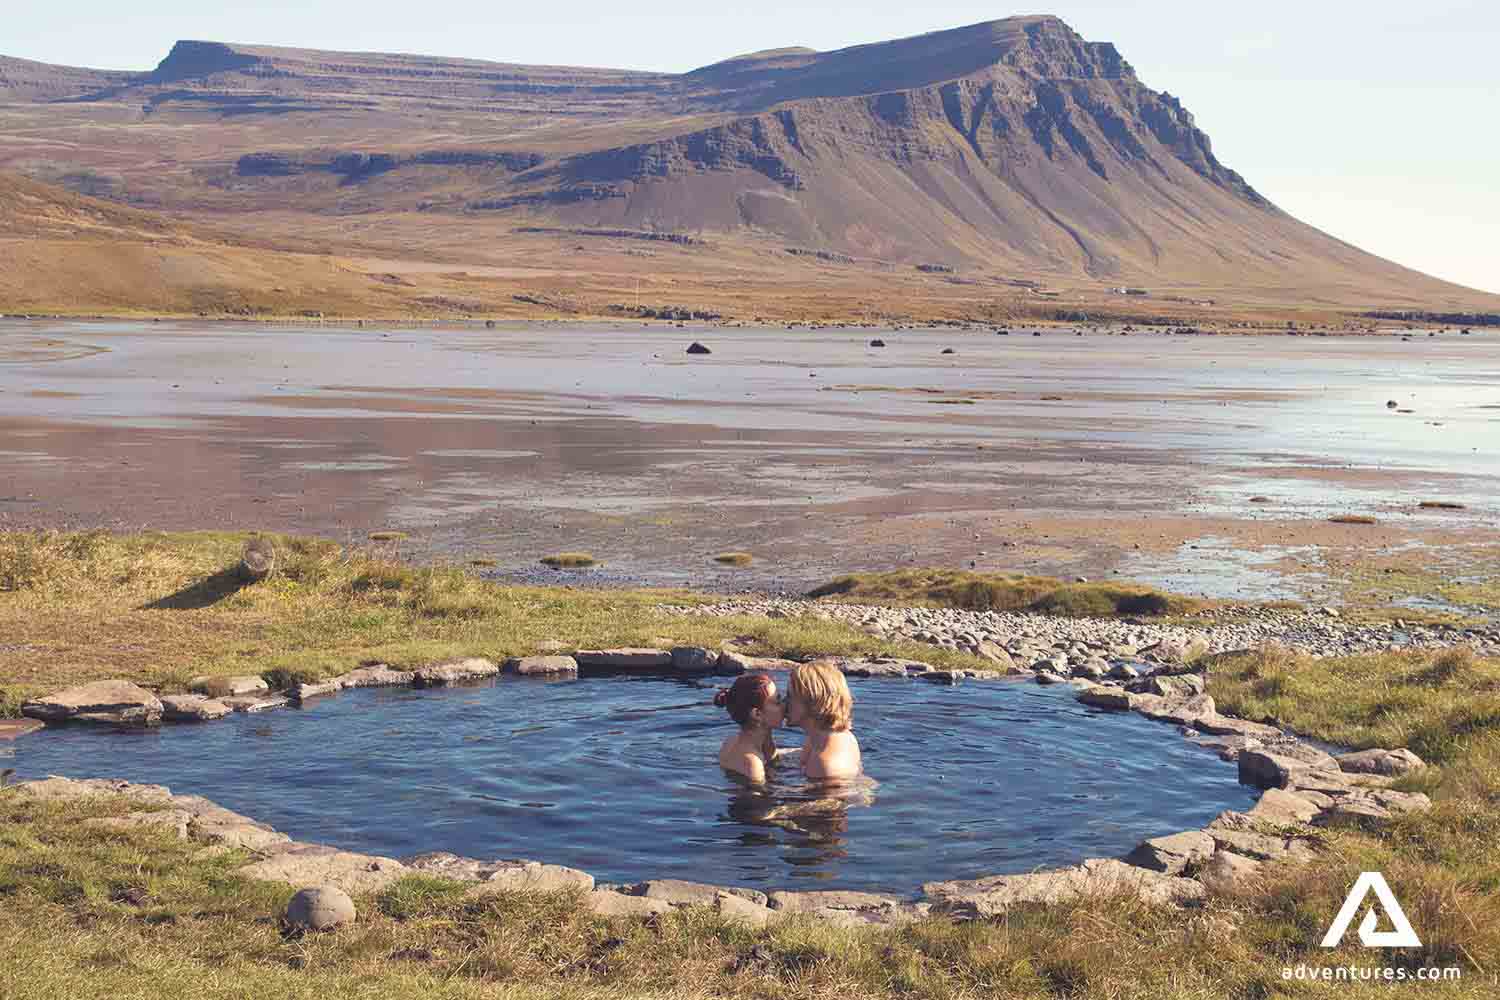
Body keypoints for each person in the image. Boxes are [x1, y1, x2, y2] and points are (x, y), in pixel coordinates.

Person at [785, 660, 862, 780]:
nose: (784, 703)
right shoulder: (823, 737)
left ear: (812, 701)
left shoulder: (825, 765)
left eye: (789, 696)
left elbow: (829, 798)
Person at [714, 674, 792, 783]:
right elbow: (761, 799)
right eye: (778, 702)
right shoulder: (752, 764)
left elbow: (772, 759)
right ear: (757, 714)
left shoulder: (732, 741)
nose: (785, 705)